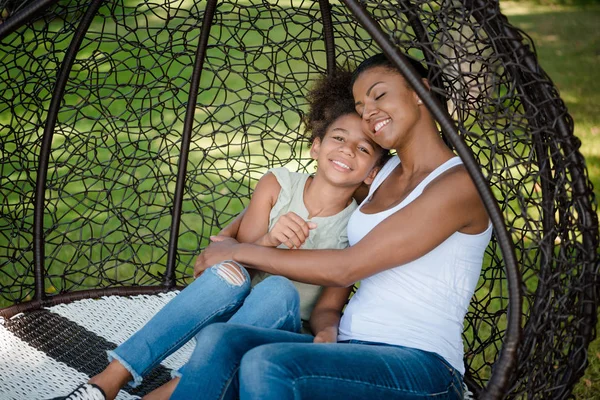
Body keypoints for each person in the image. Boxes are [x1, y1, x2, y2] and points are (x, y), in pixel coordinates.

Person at [51, 71, 388, 400]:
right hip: (233, 313)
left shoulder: (354, 228)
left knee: (278, 289)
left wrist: (329, 330)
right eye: (339, 138)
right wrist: (271, 239)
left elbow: (325, 309)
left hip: (278, 329)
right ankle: (106, 382)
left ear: (372, 172)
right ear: (316, 146)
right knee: (229, 275)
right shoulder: (276, 186)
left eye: (363, 149)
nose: (347, 150)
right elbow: (240, 259)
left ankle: (172, 391)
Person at [187, 52, 492, 400]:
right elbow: (312, 188)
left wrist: (240, 251)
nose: (369, 112)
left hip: (420, 364)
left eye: (378, 95)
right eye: (361, 106)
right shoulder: (383, 173)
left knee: (267, 363)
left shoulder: (458, 185)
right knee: (222, 340)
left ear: (420, 90)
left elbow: (347, 267)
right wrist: (227, 237)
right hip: (348, 348)